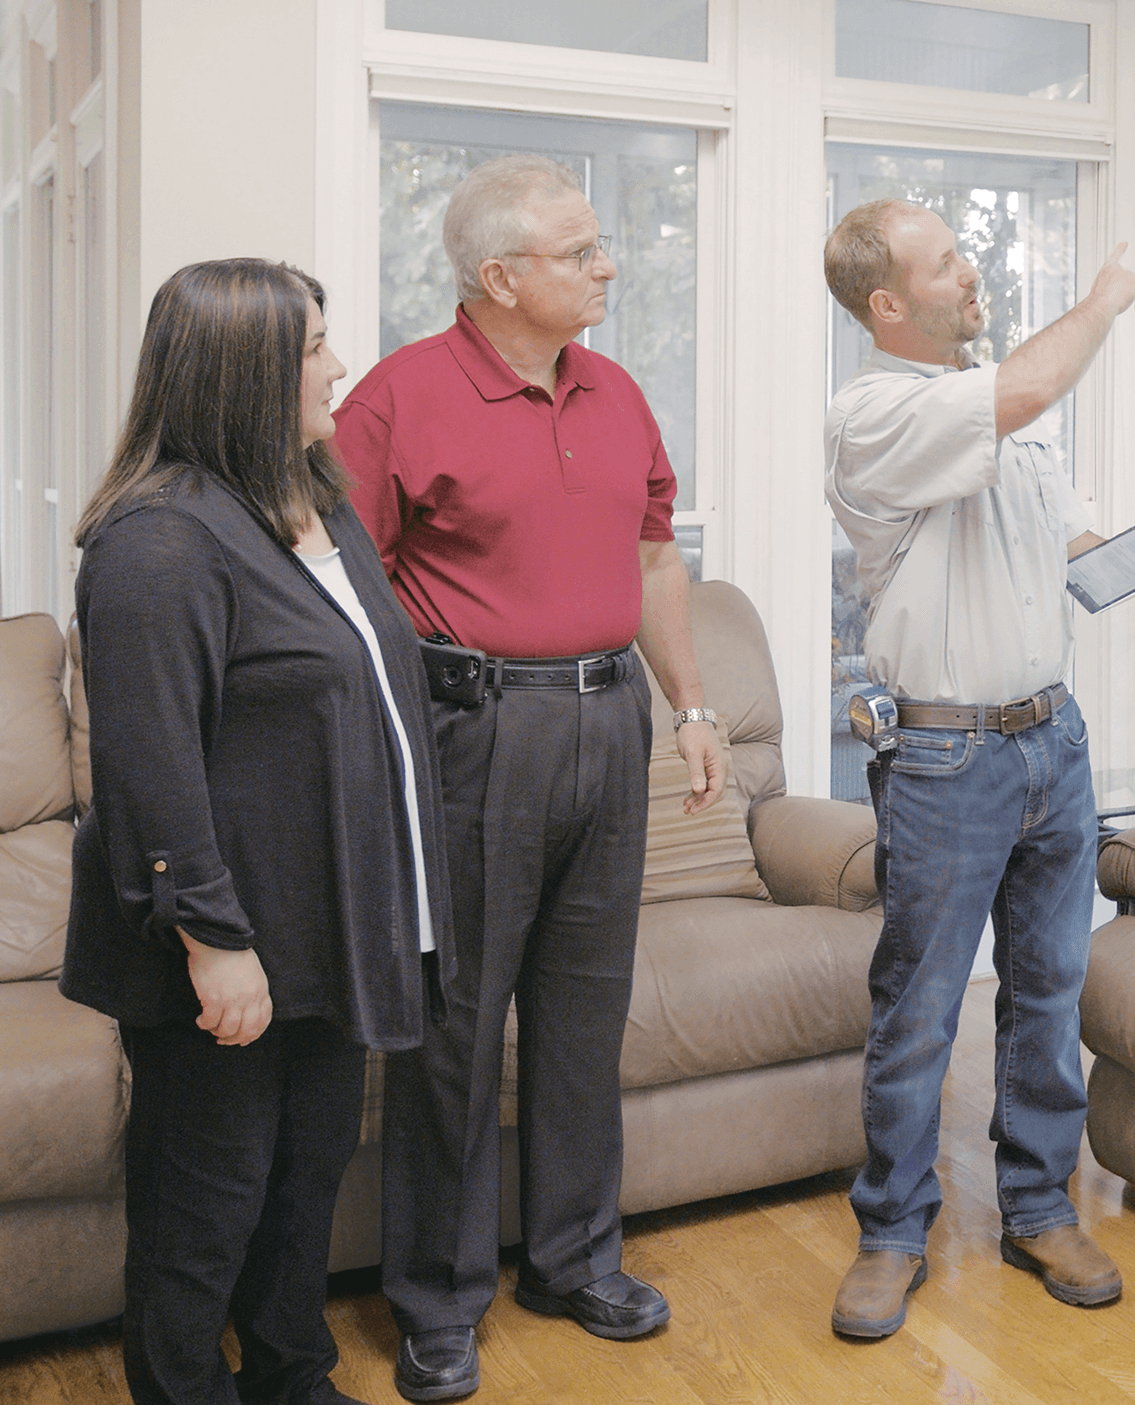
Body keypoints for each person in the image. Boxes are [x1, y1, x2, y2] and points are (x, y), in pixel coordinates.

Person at [330, 154, 725, 1403]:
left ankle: (571, 1259)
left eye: (602, 246)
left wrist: (693, 706)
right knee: (457, 1025)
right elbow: (347, 587)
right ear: (500, 275)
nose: (610, 265)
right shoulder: (398, 398)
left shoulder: (617, 390)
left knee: (582, 1011)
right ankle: (438, 1300)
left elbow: (657, 560)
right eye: (582, 249)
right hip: (473, 737)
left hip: (612, 727)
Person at [61, 258, 452, 1405]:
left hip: (327, 927)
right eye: (315, 347)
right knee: (206, 1205)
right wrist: (212, 939)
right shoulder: (156, 543)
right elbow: (147, 766)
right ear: (242, 374)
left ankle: (295, 1378)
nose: (339, 365)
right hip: (224, 944)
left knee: (303, 1182)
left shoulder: (317, 506)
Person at [820, 199, 1135, 1338]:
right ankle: (893, 1232)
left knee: (1051, 989)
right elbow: (1017, 394)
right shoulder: (873, 413)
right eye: (947, 261)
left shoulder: (1019, 412)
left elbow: (1072, 544)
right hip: (945, 754)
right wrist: (1103, 301)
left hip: (1054, 738)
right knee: (918, 1007)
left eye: (965, 254)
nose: (972, 273)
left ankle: (1037, 1207)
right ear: (888, 304)